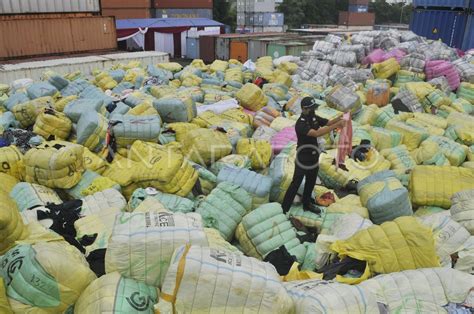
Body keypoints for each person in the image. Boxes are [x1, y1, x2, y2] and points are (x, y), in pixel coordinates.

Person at [281, 97, 346, 214]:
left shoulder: (314, 117)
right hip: (303, 157)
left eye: (313, 108)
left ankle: (307, 204)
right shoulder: (300, 123)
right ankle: (284, 209)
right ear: (303, 109)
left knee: (311, 182)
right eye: (310, 109)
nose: (312, 111)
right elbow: (316, 133)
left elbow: (329, 122)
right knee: (295, 183)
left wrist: (341, 117)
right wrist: (337, 126)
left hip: (314, 155)